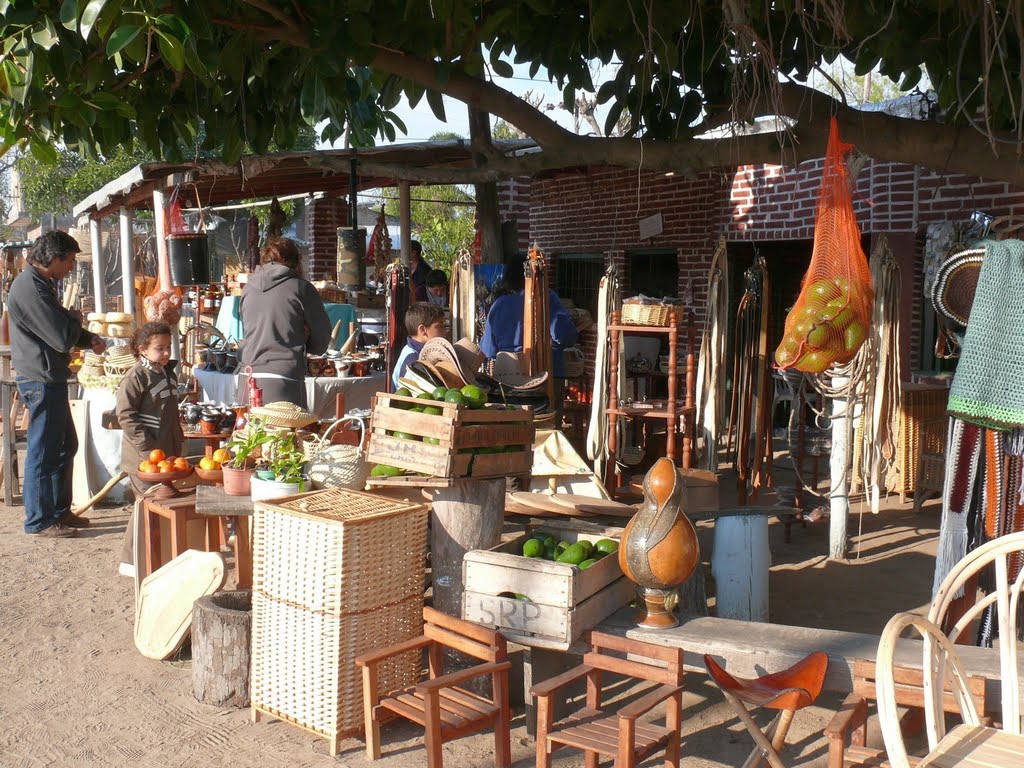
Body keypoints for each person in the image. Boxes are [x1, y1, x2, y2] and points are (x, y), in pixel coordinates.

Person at [7, 230, 105, 538]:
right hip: (41, 378)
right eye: (70, 261)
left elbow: (60, 326)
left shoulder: (41, 284)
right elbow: (61, 336)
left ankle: (59, 512)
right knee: (44, 452)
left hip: (48, 376)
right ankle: (39, 520)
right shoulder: (32, 290)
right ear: (54, 258)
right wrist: (77, 320)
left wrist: (88, 339)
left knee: (64, 446)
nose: (71, 268)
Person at [115, 322, 185, 574]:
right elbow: (125, 415)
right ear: (142, 350)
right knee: (145, 504)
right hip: (143, 458)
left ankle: (158, 556)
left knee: (160, 504)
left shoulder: (167, 372)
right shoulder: (136, 377)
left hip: (166, 453)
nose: (166, 353)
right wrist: (147, 449)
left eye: (168, 347)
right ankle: (132, 561)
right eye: (160, 349)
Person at [239, 238, 331, 408]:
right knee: (287, 435)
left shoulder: (248, 288)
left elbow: (250, 328)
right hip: (285, 380)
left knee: (251, 434)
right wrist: (303, 337)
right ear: (296, 263)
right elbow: (321, 342)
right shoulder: (301, 288)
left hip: (248, 377)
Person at [480, 257, 579, 378]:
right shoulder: (546, 297)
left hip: (509, 378)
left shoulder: (498, 305)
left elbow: (488, 350)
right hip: (546, 377)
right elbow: (564, 335)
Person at [392, 302, 447, 389]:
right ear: (423, 330)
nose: (445, 332)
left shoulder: (416, 351)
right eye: (440, 326)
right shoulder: (413, 359)